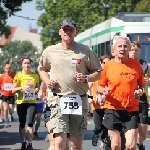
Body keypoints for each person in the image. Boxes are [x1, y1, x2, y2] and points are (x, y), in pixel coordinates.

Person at [38, 19, 102, 150]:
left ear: (76, 32)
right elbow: (42, 69)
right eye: (65, 29)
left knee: (76, 145)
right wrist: (47, 81)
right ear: (60, 32)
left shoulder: (85, 51)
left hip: (79, 99)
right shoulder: (50, 51)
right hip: (58, 100)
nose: (68, 32)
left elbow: (98, 72)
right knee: (59, 142)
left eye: (71, 29)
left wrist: (85, 77)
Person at [97, 36, 145, 150]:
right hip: (112, 109)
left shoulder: (136, 65)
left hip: (131, 110)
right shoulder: (107, 66)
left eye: (125, 46)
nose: (122, 49)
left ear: (129, 49)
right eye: (120, 46)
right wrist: (103, 90)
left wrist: (140, 91)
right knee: (115, 145)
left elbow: (142, 84)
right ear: (114, 50)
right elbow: (99, 86)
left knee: (130, 145)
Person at [12, 58, 39, 150]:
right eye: (25, 63)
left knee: (30, 122)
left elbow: (37, 88)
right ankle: (23, 141)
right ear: (22, 65)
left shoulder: (35, 76)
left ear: (30, 64)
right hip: (21, 102)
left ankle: (30, 144)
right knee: (22, 123)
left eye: (28, 63)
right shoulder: (18, 76)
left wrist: (37, 90)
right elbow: (13, 90)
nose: (27, 65)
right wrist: (22, 87)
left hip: (32, 102)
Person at [129, 40, 150, 150]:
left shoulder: (146, 65)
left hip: (141, 100)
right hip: (127, 101)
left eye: (136, 50)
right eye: (131, 50)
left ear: (140, 51)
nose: (133, 52)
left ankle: (139, 144)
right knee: (129, 132)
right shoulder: (123, 64)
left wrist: (148, 81)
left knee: (143, 133)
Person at [88, 55, 111, 149]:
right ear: (100, 63)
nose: (106, 65)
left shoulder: (111, 74)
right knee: (98, 127)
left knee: (107, 127)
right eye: (104, 63)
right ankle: (96, 133)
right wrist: (90, 97)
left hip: (108, 105)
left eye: (108, 63)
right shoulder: (96, 74)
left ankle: (104, 142)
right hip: (96, 105)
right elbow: (88, 87)